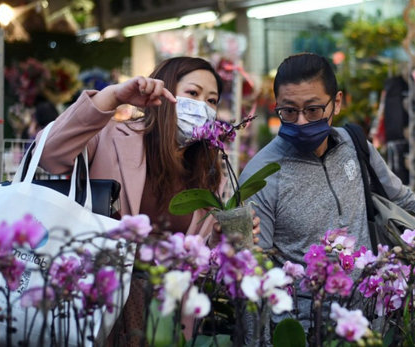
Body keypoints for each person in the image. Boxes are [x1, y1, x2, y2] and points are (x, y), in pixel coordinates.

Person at [37, 56, 257, 346]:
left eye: (212, 100)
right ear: (163, 94)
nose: (203, 106)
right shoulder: (109, 136)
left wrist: (219, 241)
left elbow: (200, 263)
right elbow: (47, 153)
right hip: (97, 309)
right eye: (192, 93)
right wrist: (111, 98)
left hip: (167, 324)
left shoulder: (210, 172)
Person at [239, 53, 415, 330]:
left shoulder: (355, 145)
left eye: (313, 110)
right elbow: (254, 271)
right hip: (307, 332)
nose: (301, 122)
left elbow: (404, 200)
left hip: (374, 323)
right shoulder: (261, 174)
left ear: (336, 102)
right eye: (289, 111)